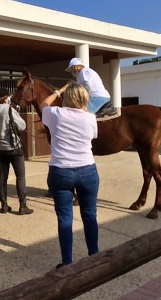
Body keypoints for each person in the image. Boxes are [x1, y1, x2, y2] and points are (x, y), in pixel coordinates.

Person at [39, 82, 99, 268]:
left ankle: (67, 262)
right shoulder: (90, 118)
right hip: (87, 170)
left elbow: (43, 104)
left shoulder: (55, 114)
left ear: (66, 98)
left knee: (65, 217)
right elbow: (93, 137)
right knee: (90, 214)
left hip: (61, 171)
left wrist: (58, 91)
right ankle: (94, 256)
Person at [0, 88, 33, 215]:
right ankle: (23, 205)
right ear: (5, 98)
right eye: (8, 97)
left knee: (2, 176)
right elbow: (22, 126)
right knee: (20, 176)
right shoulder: (9, 110)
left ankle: (4, 204)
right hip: (13, 147)